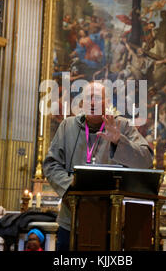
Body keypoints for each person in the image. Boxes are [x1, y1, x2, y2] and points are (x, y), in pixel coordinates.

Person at [43, 81, 153, 251]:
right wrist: (69, 186)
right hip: (72, 218)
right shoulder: (67, 126)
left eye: (97, 98)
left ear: (107, 102)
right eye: (88, 98)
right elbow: (51, 164)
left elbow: (146, 162)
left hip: (110, 220)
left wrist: (119, 141)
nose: (92, 103)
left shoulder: (122, 125)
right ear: (81, 103)